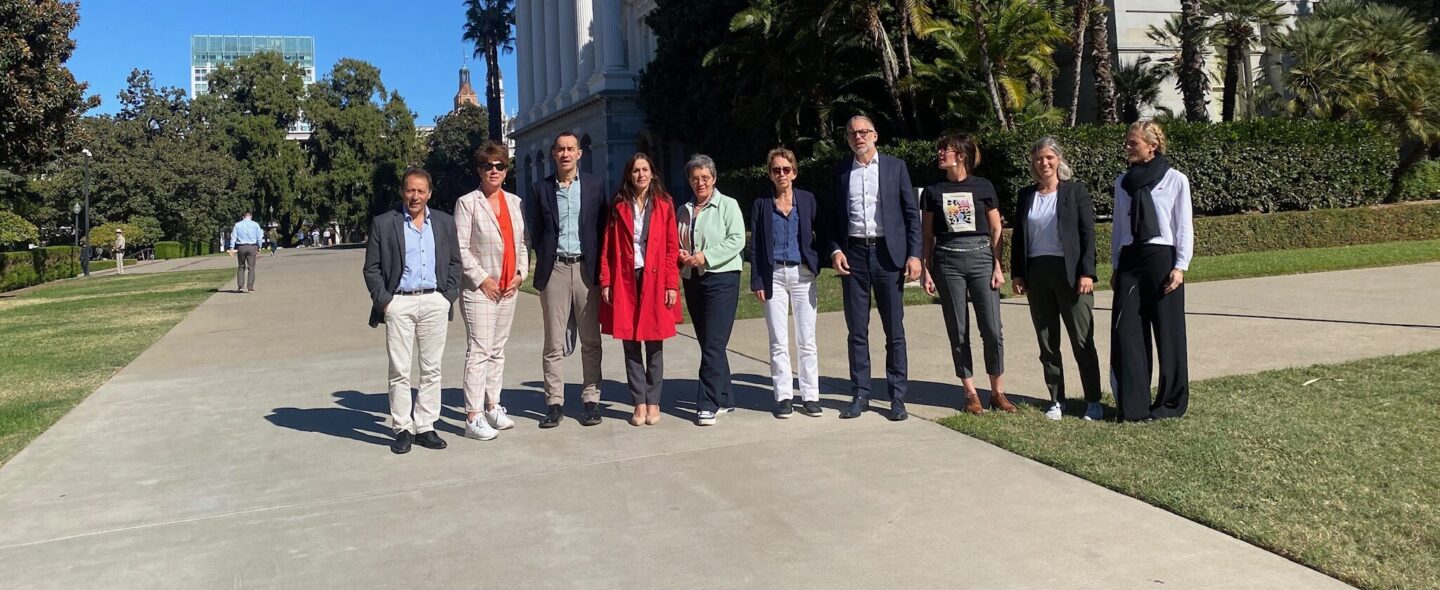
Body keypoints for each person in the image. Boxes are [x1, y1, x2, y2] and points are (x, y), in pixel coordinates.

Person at [823, 115, 922, 422]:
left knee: (894, 330)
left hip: (888, 255)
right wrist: (835, 250)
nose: (859, 137)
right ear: (847, 139)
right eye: (853, 133)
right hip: (853, 254)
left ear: (875, 135)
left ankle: (897, 398)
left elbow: (911, 214)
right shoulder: (841, 172)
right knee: (857, 330)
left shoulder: (895, 167)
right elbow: (830, 218)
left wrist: (915, 255)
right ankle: (860, 394)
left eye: (864, 132)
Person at [362, 168, 463, 454]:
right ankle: (403, 428)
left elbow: (455, 263)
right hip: (399, 303)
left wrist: (447, 297)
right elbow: (371, 269)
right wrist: (386, 302)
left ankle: (425, 426)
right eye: (410, 190)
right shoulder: (384, 223)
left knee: (431, 368)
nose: (415, 196)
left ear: (429, 193)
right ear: (402, 192)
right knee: (400, 369)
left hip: (434, 301)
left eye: (421, 190)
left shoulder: (444, 222)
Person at [1010, 137, 1103, 421]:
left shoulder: (1075, 192)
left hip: (1071, 274)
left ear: (1058, 159)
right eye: (1039, 158)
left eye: (1049, 157)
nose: (1044, 163)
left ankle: (1093, 400)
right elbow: (1019, 237)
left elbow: (1087, 235)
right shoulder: (1026, 195)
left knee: (1082, 339)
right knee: (1047, 341)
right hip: (1038, 273)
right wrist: (1018, 273)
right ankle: (1056, 399)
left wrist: (1087, 272)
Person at [919, 134, 1011, 415]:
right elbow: (927, 233)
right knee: (958, 329)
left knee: (992, 329)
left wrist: (998, 265)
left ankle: (997, 392)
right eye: (940, 149)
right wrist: (926, 269)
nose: (940, 153)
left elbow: (996, 229)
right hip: (947, 261)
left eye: (945, 149)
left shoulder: (983, 186)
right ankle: (970, 392)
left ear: (961, 155)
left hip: (982, 258)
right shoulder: (933, 190)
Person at [525, 131, 609, 428]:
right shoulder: (540, 189)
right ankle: (554, 403)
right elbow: (536, 230)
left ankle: (591, 399)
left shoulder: (595, 185)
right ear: (553, 154)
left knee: (590, 339)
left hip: (587, 270)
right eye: (560, 149)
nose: (565, 154)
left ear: (579, 154)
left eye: (570, 149)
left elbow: (602, 227)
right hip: (555, 270)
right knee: (553, 341)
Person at [1111, 121, 1193, 422]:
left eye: (1133, 143)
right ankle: (1133, 406)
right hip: (1130, 259)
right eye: (1127, 142)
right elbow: (1119, 226)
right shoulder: (1123, 182)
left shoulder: (1175, 180)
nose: (1127, 147)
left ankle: (1170, 403)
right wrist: (1116, 265)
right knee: (1127, 332)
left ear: (1152, 146)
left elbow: (1183, 226)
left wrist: (1180, 267)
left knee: (1168, 333)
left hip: (1161, 258)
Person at [599, 153, 682, 427]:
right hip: (625, 278)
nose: (641, 175)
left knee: (654, 341)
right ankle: (639, 401)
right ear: (629, 174)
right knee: (630, 341)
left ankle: (654, 400)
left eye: (645, 169)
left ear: (652, 173)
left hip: (655, 279)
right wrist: (606, 280)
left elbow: (671, 247)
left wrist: (671, 284)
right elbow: (607, 245)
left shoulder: (664, 204)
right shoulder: (618, 204)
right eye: (636, 170)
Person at [454, 142, 528, 441]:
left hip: (509, 288)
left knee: (498, 350)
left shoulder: (515, 202)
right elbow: (460, 248)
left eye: (500, 166)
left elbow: (523, 243)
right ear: (479, 170)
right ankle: (473, 416)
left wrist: (521, 274)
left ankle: (493, 405)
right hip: (481, 290)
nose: (494, 171)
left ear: (507, 170)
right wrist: (482, 279)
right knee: (480, 351)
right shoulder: (467, 203)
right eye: (488, 166)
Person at [750, 147, 823, 419]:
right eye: (776, 170)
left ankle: (811, 396)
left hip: (802, 274)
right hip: (774, 277)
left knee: (807, 338)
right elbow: (755, 246)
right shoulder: (762, 205)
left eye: (786, 169)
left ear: (794, 172)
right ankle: (783, 396)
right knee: (778, 340)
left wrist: (817, 260)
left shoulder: (807, 200)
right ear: (770, 174)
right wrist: (757, 279)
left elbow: (821, 231)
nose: (782, 174)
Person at [677, 154, 745, 426]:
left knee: (714, 343)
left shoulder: (728, 205)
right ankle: (725, 395)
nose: (700, 182)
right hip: (693, 279)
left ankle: (707, 403)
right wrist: (682, 253)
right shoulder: (683, 210)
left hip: (722, 278)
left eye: (705, 177)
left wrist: (706, 256)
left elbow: (737, 240)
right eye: (695, 178)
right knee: (708, 341)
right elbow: (678, 239)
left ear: (714, 178)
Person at [231, 212, 264, 293]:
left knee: (241, 266)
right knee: (251, 268)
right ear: (251, 217)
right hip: (252, 246)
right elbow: (259, 237)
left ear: (243, 217)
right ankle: (250, 287)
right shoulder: (255, 224)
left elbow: (233, 237)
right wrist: (259, 246)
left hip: (241, 247)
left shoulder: (237, 225)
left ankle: (240, 286)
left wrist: (232, 247)